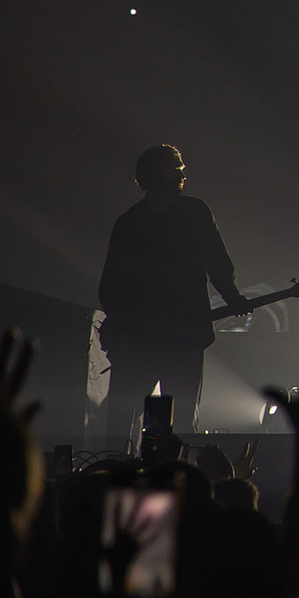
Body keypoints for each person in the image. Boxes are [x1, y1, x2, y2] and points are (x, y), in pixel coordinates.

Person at [97, 142, 244, 450]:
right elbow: (217, 264)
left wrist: (124, 329)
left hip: (147, 341)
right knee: (178, 422)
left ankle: (123, 474)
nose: (182, 171)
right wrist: (233, 297)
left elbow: (110, 287)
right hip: (178, 339)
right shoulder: (194, 213)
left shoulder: (130, 222)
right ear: (158, 172)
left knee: (127, 421)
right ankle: (171, 479)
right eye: (176, 165)